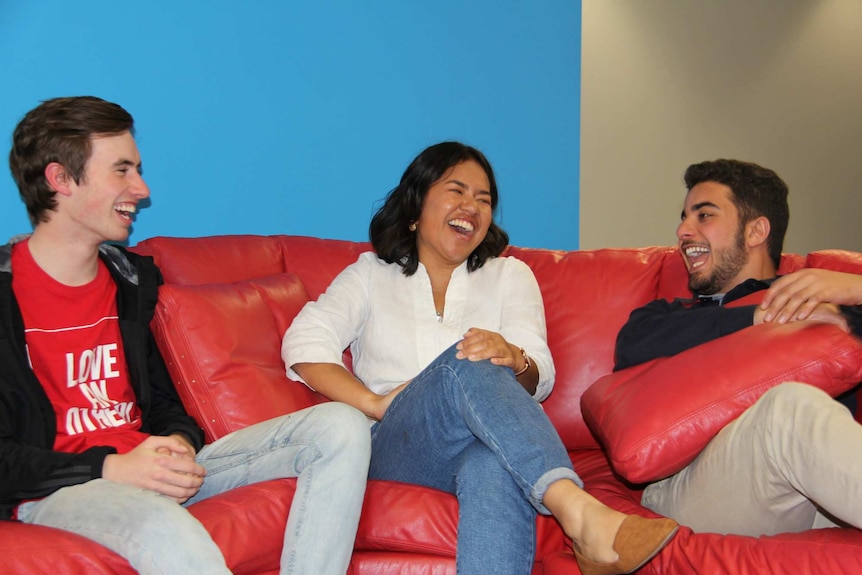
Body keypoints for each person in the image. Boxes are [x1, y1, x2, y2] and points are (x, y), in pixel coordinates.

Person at [1, 96, 370, 575]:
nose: (141, 187)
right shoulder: (7, 296)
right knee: (161, 526)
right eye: (122, 170)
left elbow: (165, 405)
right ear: (60, 180)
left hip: (149, 465)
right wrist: (110, 467)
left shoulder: (131, 282)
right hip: (61, 489)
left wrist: (176, 440)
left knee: (340, 425)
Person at [282, 141, 678, 575]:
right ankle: (578, 511)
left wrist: (513, 357)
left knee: (492, 462)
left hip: (478, 447)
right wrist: (373, 404)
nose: (472, 205)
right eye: (457, 191)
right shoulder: (371, 275)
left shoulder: (510, 275)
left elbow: (540, 374)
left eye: (484, 199)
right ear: (415, 210)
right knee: (468, 359)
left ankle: (577, 513)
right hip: (393, 447)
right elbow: (305, 340)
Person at [614, 158, 862, 537]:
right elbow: (630, 348)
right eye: (684, 217)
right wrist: (759, 318)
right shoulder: (667, 314)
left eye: (704, 216)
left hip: (820, 491)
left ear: (756, 231)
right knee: (789, 409)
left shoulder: (825, 305)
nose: (682, 230)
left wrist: (857, 290)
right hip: (694, 488)